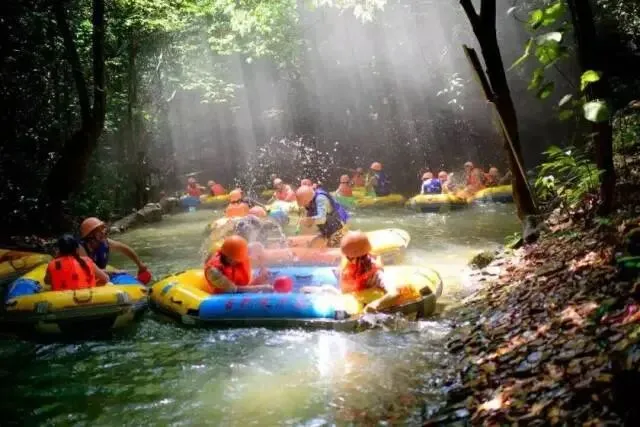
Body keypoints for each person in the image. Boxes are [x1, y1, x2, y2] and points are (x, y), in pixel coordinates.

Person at [339, 231, 401, 313]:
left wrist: (376, 305)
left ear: (360, 257)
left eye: (349, 258)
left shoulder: (376, 273)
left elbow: (394, 293)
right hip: (353, 299)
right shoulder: (348, 266)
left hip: (369, 303)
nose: (347, 260)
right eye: (347, 256)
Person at [79, 217, 149, 279]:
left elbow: (125, 249)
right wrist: (114, 272)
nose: (103, 232)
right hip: (87, 277)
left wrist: (140, 264)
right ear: (90, 235)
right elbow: (90, 270)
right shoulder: (81, 249)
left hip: (101, 273)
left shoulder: (105, 242)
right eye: (98, 231)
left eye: (102, 228)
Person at [204, 235, 273, 294]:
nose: (241, 261)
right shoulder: (213, 271)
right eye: (239, 259)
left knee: (264, 278)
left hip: (241, 289)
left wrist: (263, 268)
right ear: (230, 258)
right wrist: (259, 288)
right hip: (225, 297)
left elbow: (258, 249)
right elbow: (234, 289)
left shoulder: (235, 254)